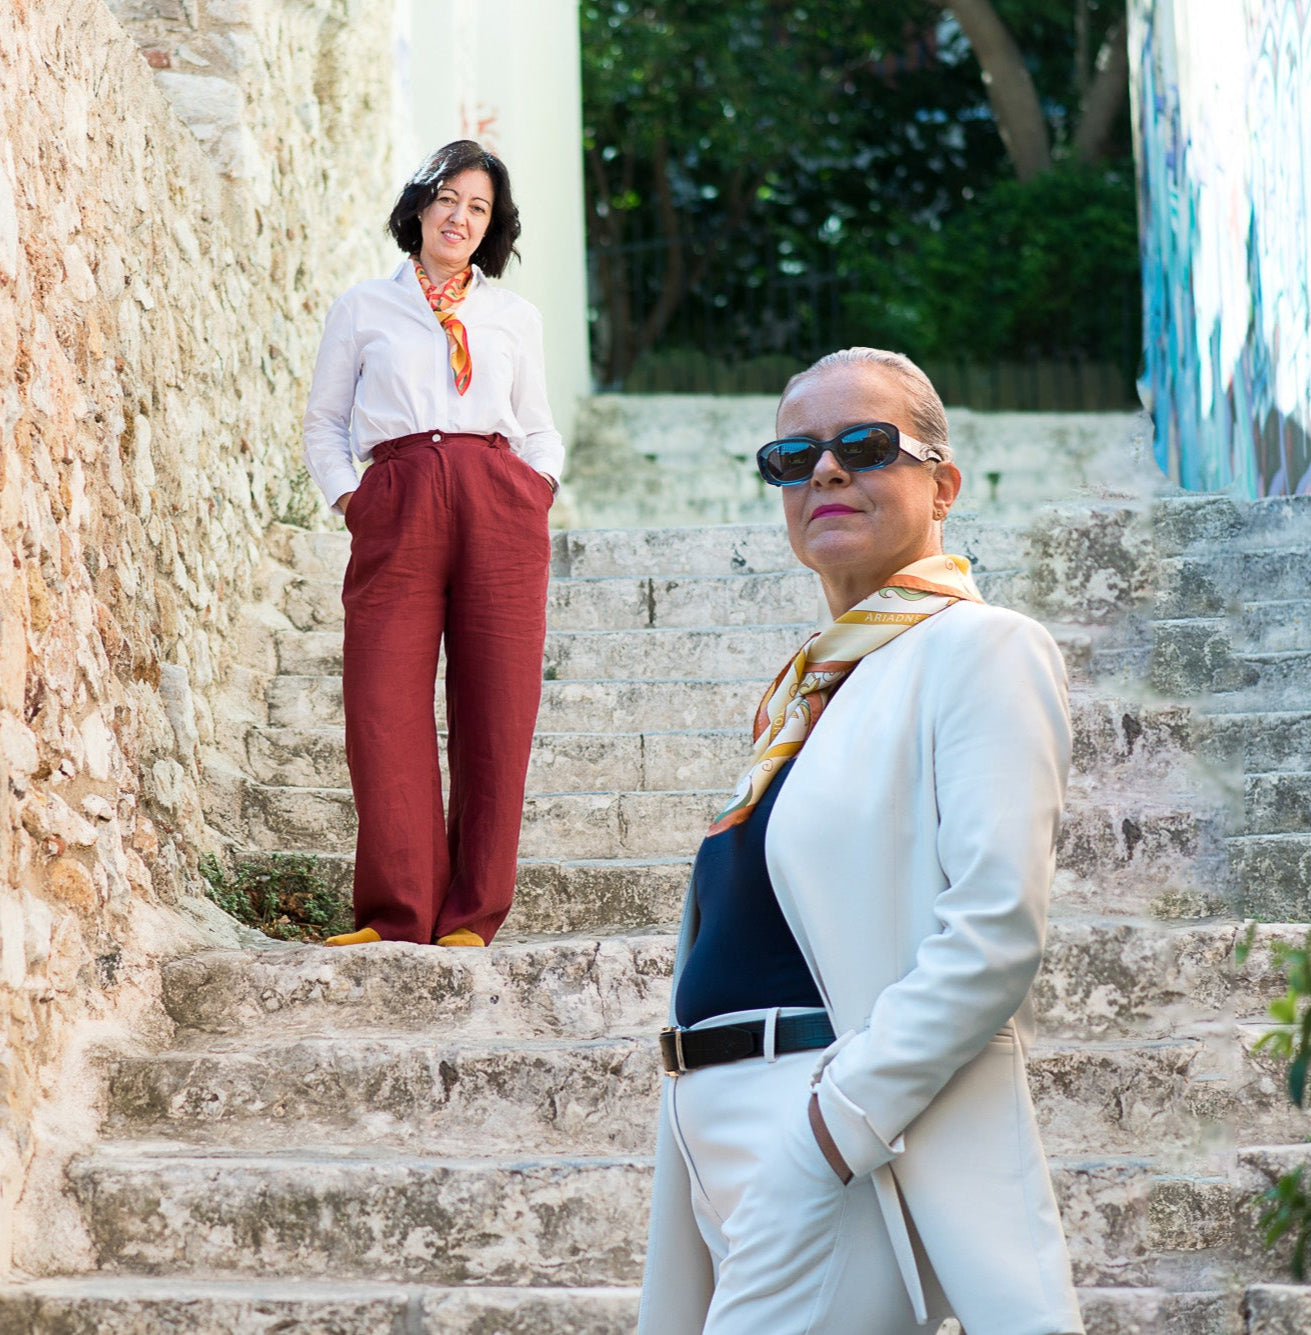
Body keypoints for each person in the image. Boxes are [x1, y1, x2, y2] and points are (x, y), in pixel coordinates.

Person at [638, 348, 1084, 1335]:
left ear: (943, 484)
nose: (827, 471)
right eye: (794, 458)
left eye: (866, 445)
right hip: (717, 1135)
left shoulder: (982, 649)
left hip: (830, 1132)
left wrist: (831, 1128)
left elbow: (994, 929)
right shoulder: (811, 693)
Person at [301, 140, 563, 949]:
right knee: (381, 702)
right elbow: (324, 422)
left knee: (498, 708)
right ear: (418, 207)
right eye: (447, 198)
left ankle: (473, 914)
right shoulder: (362, 308)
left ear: (492, 226)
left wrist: (536, 488)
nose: (460, 216)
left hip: (498, 501)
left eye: (478, 207)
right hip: (399, 495)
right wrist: (354, 499)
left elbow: (538, 425)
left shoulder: (514, 316)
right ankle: (397, 911)